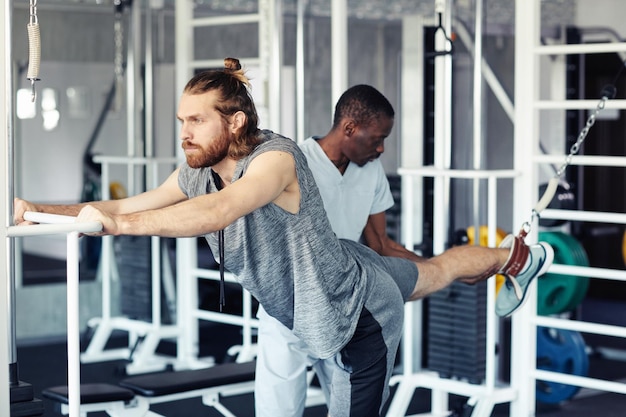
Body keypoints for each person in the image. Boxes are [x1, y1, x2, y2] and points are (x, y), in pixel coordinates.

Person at [14, 58, 553, 417]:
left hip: (358, 315)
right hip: (335, 276)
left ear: (236, 120)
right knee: (438, 270)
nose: (184, 133)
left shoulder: (276, 158)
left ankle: (516, 257)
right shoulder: (195, 170)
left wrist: (117, 226)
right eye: (182, 120)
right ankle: (516, 257)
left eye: (197, 121)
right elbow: (123, 203)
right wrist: (37, 209)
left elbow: (219, 210)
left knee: (432, 276)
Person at [254, 84, 424, 417]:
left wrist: (438, 269)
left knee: (354, 406)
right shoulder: (293, 163)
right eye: (377, 138)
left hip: (344, 306)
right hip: (289, 306)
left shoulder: (372, 172)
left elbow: (381, 245)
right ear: (349, 128)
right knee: (279, 410)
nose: (381, 148)